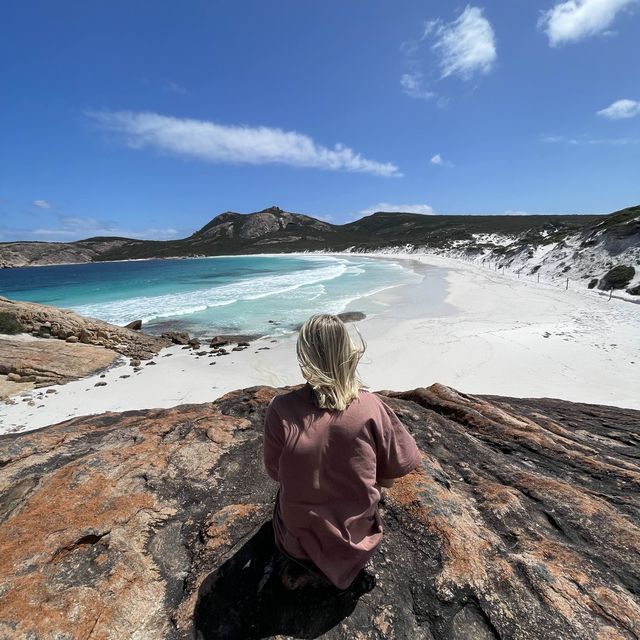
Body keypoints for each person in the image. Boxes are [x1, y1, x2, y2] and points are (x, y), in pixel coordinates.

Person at [263, 313, 422, 591]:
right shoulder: (370, 406)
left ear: (305, 358)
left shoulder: (281, 409)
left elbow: (276, 473)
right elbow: (392, 475)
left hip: (296, 544)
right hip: (356, 543)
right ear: (347, 352)